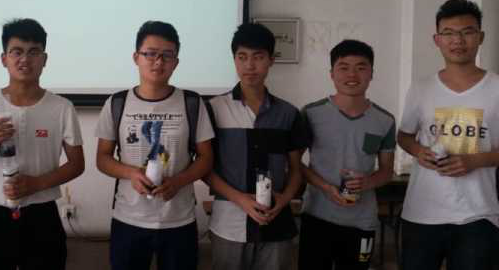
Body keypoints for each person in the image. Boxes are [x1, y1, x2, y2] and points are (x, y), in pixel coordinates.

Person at [0, 18, 84, 270]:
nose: (25, 59)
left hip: (42, 216)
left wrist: (36, 184)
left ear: (44, 59)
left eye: (34, 52)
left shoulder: (61, 107)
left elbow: (77, 164)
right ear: (4, 59)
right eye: (17, 52)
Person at [95, 20, 214, 270]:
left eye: (166, 55)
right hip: (128, 219)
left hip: (178, 220)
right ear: (136, 57)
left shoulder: (191, 103)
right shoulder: (117, 103)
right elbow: (103, 158)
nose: (158, 62)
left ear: (176, 62)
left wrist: (178, 181)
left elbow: (206, 158)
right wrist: (131, 173)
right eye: (150, 54)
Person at [397, 0, 499, 270]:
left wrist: (474, 160)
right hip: (422, 212)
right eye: (449, 33)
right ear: (437, 40)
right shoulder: (421, 88)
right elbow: (404, 136)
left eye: (467, 32)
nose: (458, 41)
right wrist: (418, 151)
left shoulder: (496, 88)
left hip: (478, 215)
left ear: (481, 37)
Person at [204, 22, 308, 270]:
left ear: (271, 60)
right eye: (242, 57)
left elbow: (296, 169)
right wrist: (240, 199)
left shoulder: (288, 114)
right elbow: (204, 169)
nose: (250, 65)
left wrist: (283, 200)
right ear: (234, 60)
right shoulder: (214, 109)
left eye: (258, 57)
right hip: (228, 225)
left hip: (277, 222)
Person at [298, 39, 395, 270]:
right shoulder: (311, 113)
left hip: (362, 221)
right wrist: (326, 187)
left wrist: (367, 182)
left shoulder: (385, 120)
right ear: (332, 74)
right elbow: (295, 164)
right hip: (317, 215)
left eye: (361, 67)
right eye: (344, 67)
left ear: (372, 74)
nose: (352, 74)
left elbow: (386, 171)